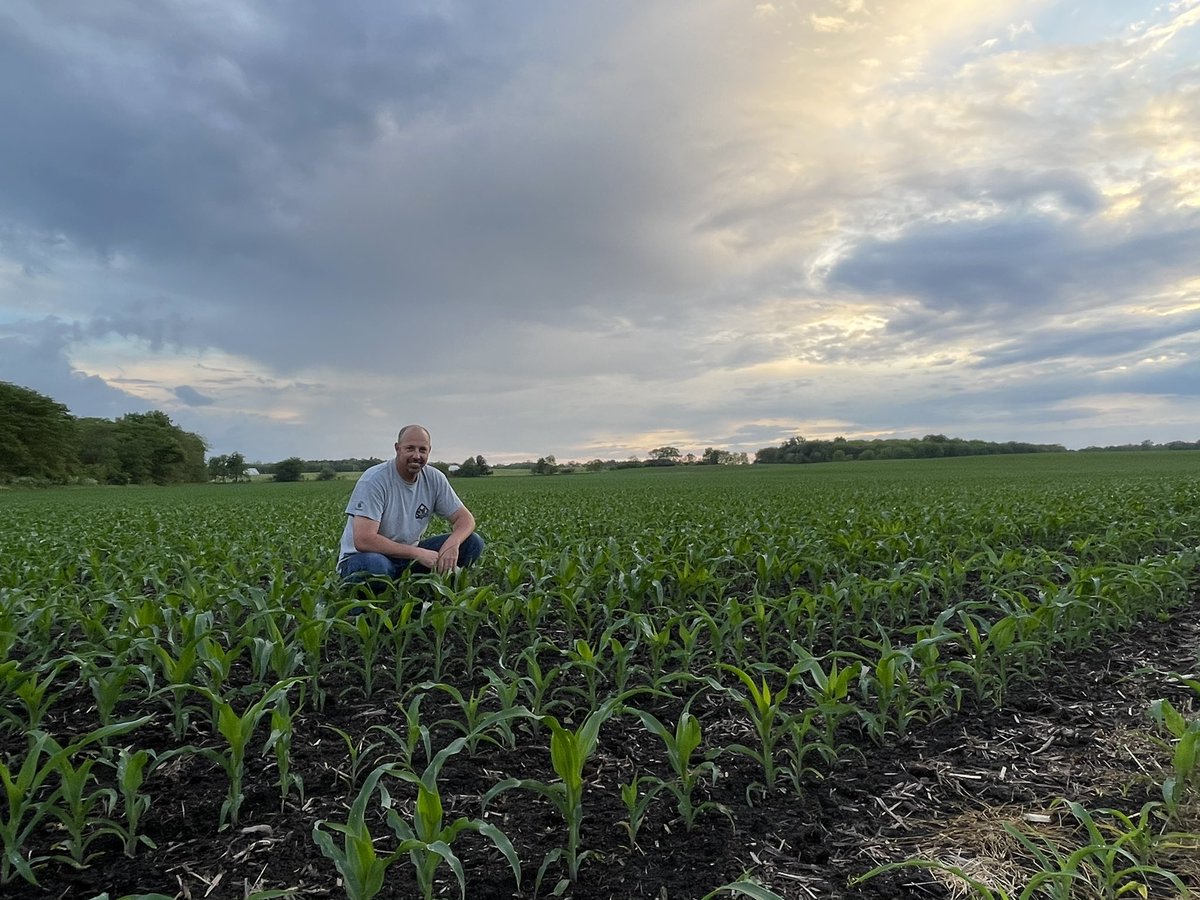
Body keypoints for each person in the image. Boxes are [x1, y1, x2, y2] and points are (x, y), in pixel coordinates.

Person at [336, 424, 484, 591]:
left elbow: (465, 519)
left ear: (429, 451)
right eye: (410, 448)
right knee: (376, 567)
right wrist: (418, 553)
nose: (417, 455)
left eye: (422, 450)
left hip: (406, 557)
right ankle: (369, 605)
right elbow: (364, 540)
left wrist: (452, 544)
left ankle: (425, 591)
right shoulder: (374, 480)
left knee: (472, 542)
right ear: (397, 449)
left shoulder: (434, 478)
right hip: (364, 558)